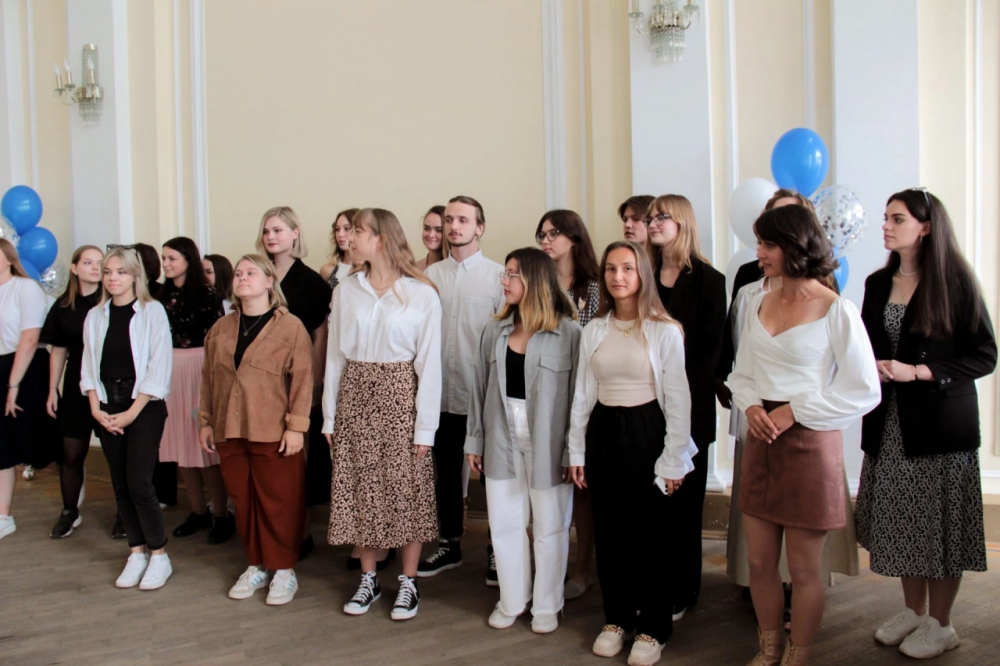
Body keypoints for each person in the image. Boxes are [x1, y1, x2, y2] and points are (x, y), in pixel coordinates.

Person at [728, 205, 880, 665]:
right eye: (759, 243)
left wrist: (796, 410)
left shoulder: (837, 310)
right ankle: (769, 646)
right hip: (762, 439)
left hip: (810, 444)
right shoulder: (757, 302)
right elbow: (742, 373)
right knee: (759, 563)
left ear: (796, 247)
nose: (758, 253)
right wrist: (752, 405)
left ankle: (799, 652)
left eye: (767, 244)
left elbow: (863, 389)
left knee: (803, 568)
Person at [854, 189, 996, 660]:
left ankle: (942, 624)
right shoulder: (877, 282)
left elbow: (985, 355)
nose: (886, 225)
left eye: (897, 218)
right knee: (903, 523)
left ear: (926, 227)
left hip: (940, 427)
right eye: (886, 217)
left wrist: (920, 371)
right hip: (889, 424)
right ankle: (914, 613)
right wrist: (869, 366)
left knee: (940, 529)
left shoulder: (955, 283)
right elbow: (865, 343)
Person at [568, 240, 696, 666]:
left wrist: (674, 459)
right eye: (610, 269)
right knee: (611, 531)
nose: (617, 276)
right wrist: (576, 451)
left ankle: (653, 627)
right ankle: (616, 619)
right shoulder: (594, 329)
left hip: (648, 430)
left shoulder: (664, 329)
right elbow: (583, 394)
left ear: (642, 274)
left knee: (653, 533)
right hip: (604, 430)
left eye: (626, 268)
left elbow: (678, 399)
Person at [323, 208, 442, 621]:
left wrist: (425, 428)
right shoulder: (346, 289)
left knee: (406, 488)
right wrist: (329, 416)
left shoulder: (421, 293)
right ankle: (369, 578)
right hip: (355, 395)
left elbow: (429, 366)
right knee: (361, 486)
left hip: (400, 396)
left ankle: (408, 581)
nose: (349, 237)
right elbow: (334, 358)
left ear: (381, 238)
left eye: (358, 231)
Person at [465, 247, 581, 634]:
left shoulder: (569, 333)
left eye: (512, 273)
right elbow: (479, 389)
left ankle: (547, 605)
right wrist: (474, 440)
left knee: (550, 526)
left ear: (534, 278)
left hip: (549, 440)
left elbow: (579, 398)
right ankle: (512, 600)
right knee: (504, 523)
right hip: (501, 435)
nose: (505, 280)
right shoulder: (494, 331)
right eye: (505, 273)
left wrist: (573, 451)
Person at [199, 254, 313, 606]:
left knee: (280, 502)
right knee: (243, 500)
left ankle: (284, 569)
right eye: (238, 273)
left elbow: (303, 379)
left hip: (273, 430)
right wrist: (205, 420)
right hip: (230, 429)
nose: (242, 278)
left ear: (269, 282)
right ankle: (256, 564)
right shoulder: (221, 328)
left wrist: (296, 427)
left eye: (251, 273)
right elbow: (208, 379)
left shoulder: (290, 327)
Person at [646, 194, 727, 620]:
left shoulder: (710, 280)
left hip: (690, 407)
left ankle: (683, 588)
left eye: (663, 216)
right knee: (651, 503)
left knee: (685, 503)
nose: (653, 223)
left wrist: (672, 394)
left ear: (683, 222)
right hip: (642, 406)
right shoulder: (641, 273)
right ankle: (651, 582)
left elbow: (710, 352)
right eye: (651, 217)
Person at [80, 247, 174, 589]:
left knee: (139, 482)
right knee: (119, 483)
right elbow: (88, 367)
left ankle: (159, 554)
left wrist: (131, 413)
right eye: (107, 272)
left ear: (135, 275)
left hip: (143, 405)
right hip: (107, 403)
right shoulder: (95, 316)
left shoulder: (152, 311)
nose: (113, 278)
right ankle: (136, 552)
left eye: (120, 272)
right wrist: (96, 408)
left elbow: (158, 367)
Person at [421, 195, 504, 577]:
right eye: (449, 220)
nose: (454, 227)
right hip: (439, 394)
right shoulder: (429, 277)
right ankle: (449, 543)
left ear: (479, 227)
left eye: (463, 220)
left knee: (491, 476)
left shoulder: (498, 277)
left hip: (482, 395)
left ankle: (497, 549)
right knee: (445, 474)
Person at [257, 206, 334, 560]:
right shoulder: (257, 273)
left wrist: (314, 382)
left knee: (297, 459)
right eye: (266, 231)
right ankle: (269, 531)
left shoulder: (311, 282)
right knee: (266, 456)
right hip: (262, 380)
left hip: (297, 378)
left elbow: (320, 335)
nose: (271, 237)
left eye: (277, 230)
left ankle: (299, 533)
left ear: (295, 233)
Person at [533, 208, 600, 600]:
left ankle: (582, 567)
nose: (546, 240)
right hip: (543, 396)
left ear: (574, 237)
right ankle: (547, 566)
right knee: (547, 486)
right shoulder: (537, 284)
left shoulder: (595, 287)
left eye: (553, 233)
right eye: (541, 234)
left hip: (585, 395)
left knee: (582, 488)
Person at [159, 237, 233, 544]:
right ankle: (198, 510)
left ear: (188, 260)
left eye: (172, 258)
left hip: (198, 368)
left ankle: (222, 514)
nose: (166, 264)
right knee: (180, 445)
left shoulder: (208, 295)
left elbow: (218, 339)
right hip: (169, 369)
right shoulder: (160, 295)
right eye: (164, 258)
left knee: (204, 448)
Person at [42, 245, 104, 538]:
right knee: (71, 451)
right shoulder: (63, 306)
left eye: (99, 263)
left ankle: (125, 513)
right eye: (88, 262)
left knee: (117, 453)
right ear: (74, 268)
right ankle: (70, 511)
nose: (95, 267)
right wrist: (52, 388)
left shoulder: (110, 300)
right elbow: (58, 350)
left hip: (109, 384)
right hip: (75, 384)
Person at [0, 239, 56, 540]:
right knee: (1, 445)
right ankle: (3, 515)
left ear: (9, 258)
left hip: (28, 367)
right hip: (2, 365)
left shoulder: (25, 288)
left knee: (37, 437)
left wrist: (13, 384)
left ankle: (72, 497)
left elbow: (30, 338)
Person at [320, 208, 360, 291]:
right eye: (337, 229)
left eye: (347, 228)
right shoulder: (327, 270)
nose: (340, 234)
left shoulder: (372, 271)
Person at [415, 205, 447, 271]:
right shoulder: (415, 268)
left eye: (439, 230)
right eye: (426, 228)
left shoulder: (454, 268)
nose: (430, 235)